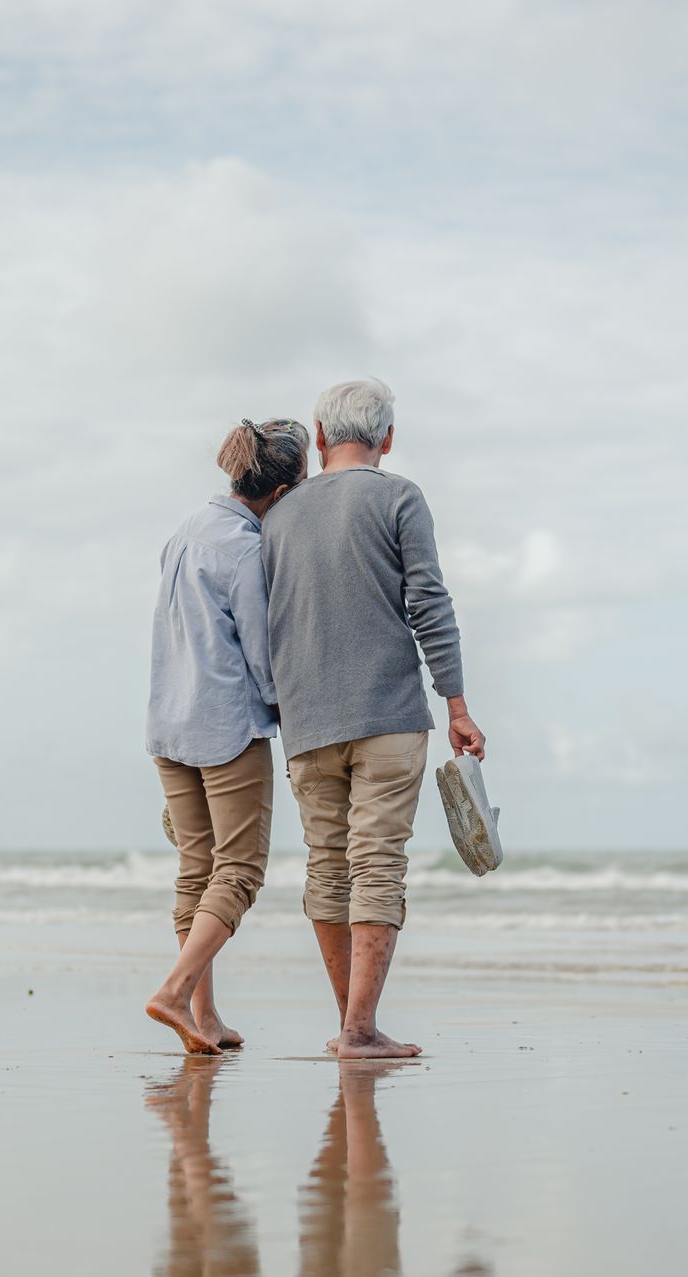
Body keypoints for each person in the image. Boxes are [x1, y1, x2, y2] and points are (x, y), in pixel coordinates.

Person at [262, 377, 485, 1060]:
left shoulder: (277, 515)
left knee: (328, 867)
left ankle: (350, 1023)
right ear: (387, 438)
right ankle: (359, 1029)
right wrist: (457, 703)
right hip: (387, 712)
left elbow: (263, 619)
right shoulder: (399, 497)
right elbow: (429, 604)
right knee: (378, 865)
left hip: (305, 721)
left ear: (320, 435)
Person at [143, 418, 310, 1055]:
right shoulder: (244, 548)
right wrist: (293, 714)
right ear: (285, 490)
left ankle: (203, 1018)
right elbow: (262, 655)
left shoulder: (185, 530)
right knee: (238, 872)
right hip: (224, 726)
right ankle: (175, 992)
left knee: (196, 872)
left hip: (167, 722)